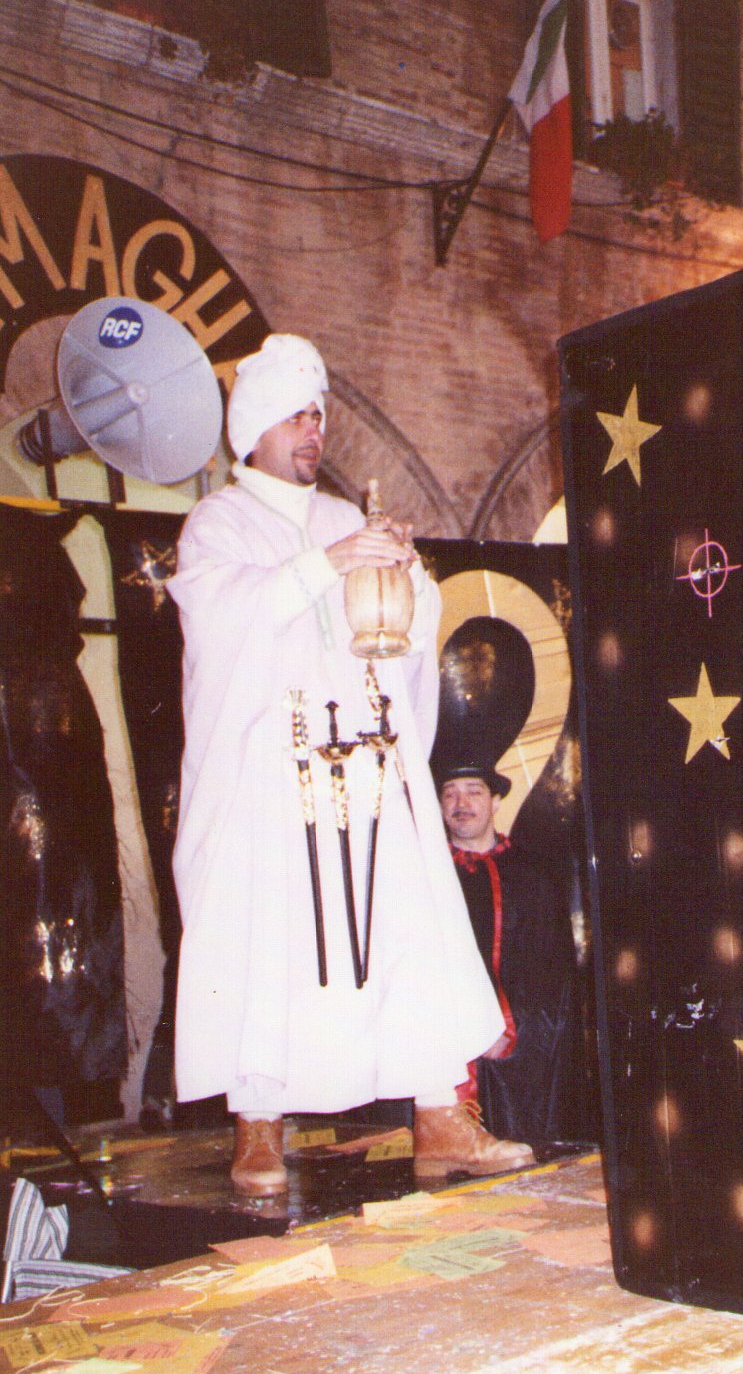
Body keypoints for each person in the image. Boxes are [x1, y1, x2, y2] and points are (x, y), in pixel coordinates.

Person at [168, 333, 534, 1193]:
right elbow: (221, 623)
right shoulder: (218, 523)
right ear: (253, 426)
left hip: (365, 770)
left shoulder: (344, 517)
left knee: (411, 919)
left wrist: (408, 575)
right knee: (268, 940)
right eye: (296, 414)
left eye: (319, 414)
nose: (314, 429)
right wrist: (326, 565)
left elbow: (401, 634)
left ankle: (440, 1115)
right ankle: (260, 1123)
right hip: (270, 783)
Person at [437, 759, 587, 1146]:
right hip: (449, 1044)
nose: (461, 803)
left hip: (527, 1050)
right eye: (450, 794)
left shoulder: (531, 872)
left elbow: (551, 968)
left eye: (473, 792)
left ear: (495, 801)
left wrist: (514, 1026)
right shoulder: (428, 876)